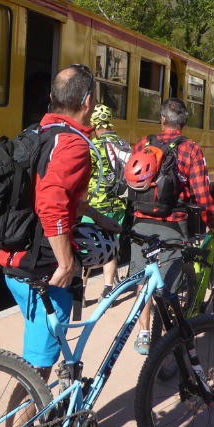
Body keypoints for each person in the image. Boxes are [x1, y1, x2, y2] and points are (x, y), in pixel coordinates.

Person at [0, 64, 96, 380]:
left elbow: (49, 189)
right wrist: (66, 264)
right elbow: (51, 201)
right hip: (43, 268)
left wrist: (98, 217)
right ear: (89, 102)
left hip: (14, 254)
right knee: (35, 373)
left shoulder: (39, 133)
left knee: (39, 358)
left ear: (53, 98)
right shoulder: (74, 143)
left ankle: (37, 421)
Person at [128, 97, 214, 355]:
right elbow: (202, 193)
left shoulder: (143, 143)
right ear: (184, 124)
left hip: (141, 222)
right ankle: (168, 339)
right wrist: (211, 224)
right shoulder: (190, 149)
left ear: (162, 120)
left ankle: (144, 334)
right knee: (169, 285)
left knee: (143, 280)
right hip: (173, 224)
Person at [83, 103, 130, 298]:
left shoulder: (92, 146)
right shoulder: (124, 144)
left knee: (85, 247)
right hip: (118, 205)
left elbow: (84, 176)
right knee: (111, 245)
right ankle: (108, 289)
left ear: (94, 125)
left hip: (94, 207)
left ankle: (81, 292)